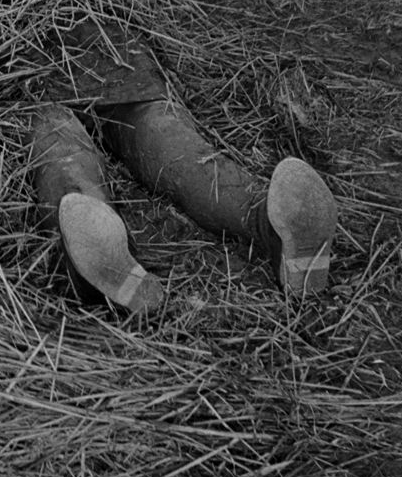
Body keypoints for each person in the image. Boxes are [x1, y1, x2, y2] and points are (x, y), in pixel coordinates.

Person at [31, 51, 338, 312]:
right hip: (91, 37)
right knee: (161, 128)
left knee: (57, 140)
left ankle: (90, 255)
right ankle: (266, 218)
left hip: (27, 48)